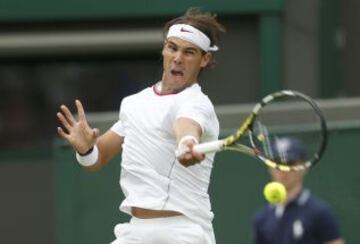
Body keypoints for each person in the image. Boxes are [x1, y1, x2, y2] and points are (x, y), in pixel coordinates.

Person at [56, 7, 225, 244]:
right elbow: (98, 158)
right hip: (136, 232)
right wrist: (85, 149)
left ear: (204, 59)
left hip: (183, 232)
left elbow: (186, 127)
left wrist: (188, 143)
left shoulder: (196, 103)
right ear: (164, 49)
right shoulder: (134, 104)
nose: (177, 58)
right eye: (172, 48)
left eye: (189, 52)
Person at [252, 137, 345, 244]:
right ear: (269, 168)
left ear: (303, 167)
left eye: (290, 163)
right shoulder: (261, 219)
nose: (283, 169)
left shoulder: (320, 213)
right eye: (277, 164)